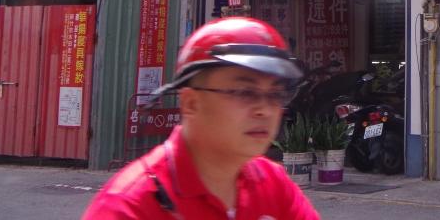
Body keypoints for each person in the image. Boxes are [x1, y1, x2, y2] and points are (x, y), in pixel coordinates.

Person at [82, 17, 319, 219]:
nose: (264, 110)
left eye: (275, 94)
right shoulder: (130, 205)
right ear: (191, 103)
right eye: (244, 92)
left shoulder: (273, 185)